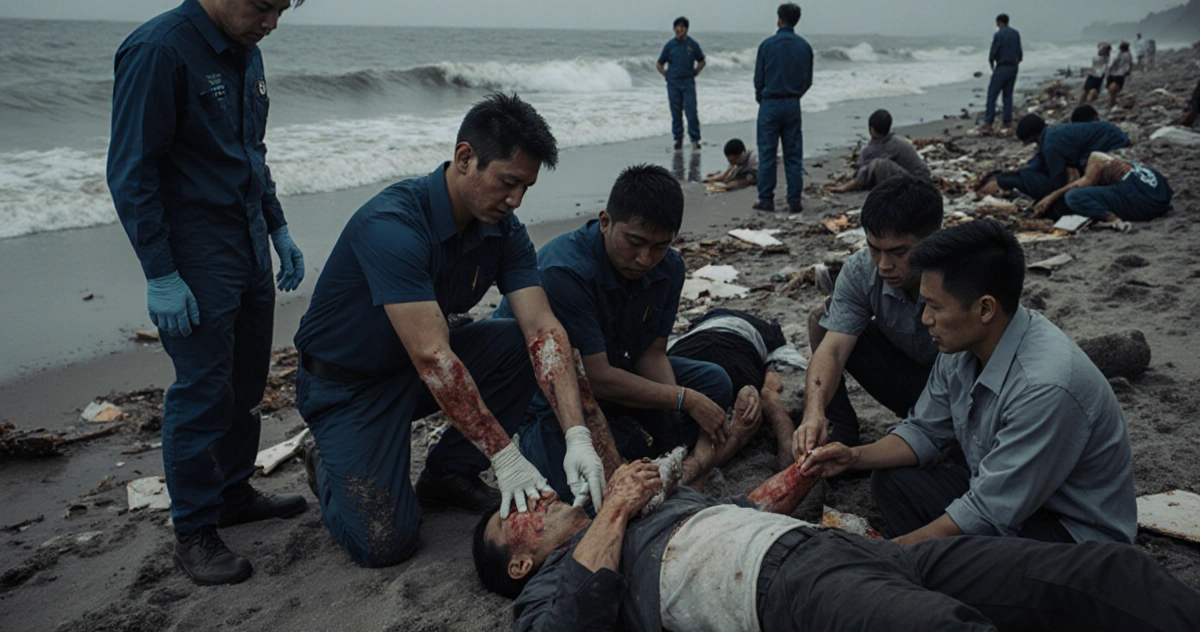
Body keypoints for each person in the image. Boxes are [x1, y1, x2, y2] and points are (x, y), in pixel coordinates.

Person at [293, 93, 607, 568]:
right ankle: (326, 462)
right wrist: (505, 456)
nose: (516, 200)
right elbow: (432, 358)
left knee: (518, 345)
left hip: (417, 369)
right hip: (348, 386)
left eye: (526, 187)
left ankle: (448, 473)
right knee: (386, 544)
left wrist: (578, 435)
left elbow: (544, 329)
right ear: (465, 159)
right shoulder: (393, 224)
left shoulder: (504, 229)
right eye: (507, 182)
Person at [105, 0, 310, 586]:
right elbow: (132, 172)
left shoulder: (248, 51)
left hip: (246, 242)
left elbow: (252, 152)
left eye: (279, 12)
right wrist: (160, 272)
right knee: (200, 392)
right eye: (261, 8)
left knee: (246, 383)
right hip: (194, 253)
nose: (270, 24)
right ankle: (193, 530)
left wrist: (276, 227)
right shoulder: (158, 50)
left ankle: (232, 493)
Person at [476, 460, 1200, 631]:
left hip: (852, 550)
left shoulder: (631, 519)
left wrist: (798, 471)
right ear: (518, 560)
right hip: (781, 590)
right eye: (516, 514)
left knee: (1101, 567)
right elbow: (577, 620)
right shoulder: (547, 587)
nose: (532, 497)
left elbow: (741, 510)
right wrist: (619, 508)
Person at [803, 220, 1137, 547]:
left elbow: (988, 513)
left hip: (1070, 537)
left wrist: (887, 553)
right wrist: (853, 457)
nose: (925, 319)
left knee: (960, 553)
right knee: (894, 481)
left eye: (935, 307)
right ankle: (940, 566)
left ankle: (941, 569)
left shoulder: (1045, 386)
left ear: (985, 308)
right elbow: (925, 431)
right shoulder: (963, 346)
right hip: (1014, 502)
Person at [495, 165, 734, 503]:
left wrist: (670, 427)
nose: (644, 259)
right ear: (605, 221)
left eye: (659, 246)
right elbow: (598, 378)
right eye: (635, 242)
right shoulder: (565, 271)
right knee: (574, 489)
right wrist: (684, 400)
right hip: (550, 395)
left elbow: (651, 354)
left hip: (613, 373)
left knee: (714, 382)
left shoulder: (670, 267)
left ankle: (643, 434)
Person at [794, 177, 943, 452]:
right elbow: (833, 350)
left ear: (932, 239)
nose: (885, 265)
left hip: (956, 389)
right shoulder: (862, 271)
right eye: (875, 249)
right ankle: (841, 426)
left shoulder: (958, 276)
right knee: (822, 320)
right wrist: (813, 413)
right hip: (904, 380)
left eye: (899, 252)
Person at [668, 308, 801, 467]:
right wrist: (768, 390)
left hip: (693, 348)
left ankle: (702, 461)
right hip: (738, 349)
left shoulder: (692, 332)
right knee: (759, 399)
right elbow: (777, 372)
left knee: (688, 429)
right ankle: (780, 442)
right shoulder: (768, 334)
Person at [976, 113, 1129, 202]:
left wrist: (1021, 180)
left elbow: (1057, 181)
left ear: (1033, 136)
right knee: (1027, 173)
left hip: (1113, 144)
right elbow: (1039, 160)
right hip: (1112, 134)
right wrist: (1019, 171)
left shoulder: (1051, 144)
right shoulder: (1051, 134)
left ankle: (1004, 182)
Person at [753, 2, 813, 214]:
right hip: (792, 102)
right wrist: (795, 94)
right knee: (793, 154)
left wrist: (761, 97)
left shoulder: (767, 45)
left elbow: (758, 79)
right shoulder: (804, 46)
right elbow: (808, 80)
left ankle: (766, 198)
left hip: (770, 102)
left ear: (779, 19)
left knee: (767, 153)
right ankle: (794, 200)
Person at [1031, 152, 1173, 231]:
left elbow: (1082, 185)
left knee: (1073, 196)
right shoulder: (1128, 165)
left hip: (1144, 205)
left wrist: (1050, 197)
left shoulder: (1096, 161)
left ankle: (1112, 220)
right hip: (1161, 199)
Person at [830, 109, 931, 193]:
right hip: (917, 179)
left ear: (871, 129)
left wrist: (848, 186)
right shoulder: (897, 140)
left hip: (916, 183)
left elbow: (865, 172)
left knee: (879, 164)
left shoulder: (886, 146)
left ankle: (845, 188)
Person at [656, 16, 705, 150]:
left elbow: (702, 60)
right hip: (673, 83)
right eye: (677, 27)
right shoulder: (670, 45)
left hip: (688, 82)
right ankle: (678, 139)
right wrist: (666, 75)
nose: (680, 30)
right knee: (676, 113)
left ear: (687, 29)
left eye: (682, 27)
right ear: (674, 29)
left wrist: (696, 72)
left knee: (691, 112)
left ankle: (695, 139)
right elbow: (659, 63)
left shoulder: (692, 45)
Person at [982, 13, 1022, 131]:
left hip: (1002, 66)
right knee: (1008, 95)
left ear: (999, 22)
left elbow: (994, 50)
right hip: (1013, 66)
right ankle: (1007, 120)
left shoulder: (999, 34)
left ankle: (988, 121)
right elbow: (1019, 52)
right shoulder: (1015, 33)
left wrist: (991, 62)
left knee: (992, 94)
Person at [1106, 42, 1133, 108]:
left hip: (1119, 73)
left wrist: (1127, 71)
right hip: (1115, 73)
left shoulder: (1126, 55)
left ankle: (1111, 102)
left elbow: (1127, 64)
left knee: (1113, 88)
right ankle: (1112, 101)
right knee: (1111, 88)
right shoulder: (1124, 54)